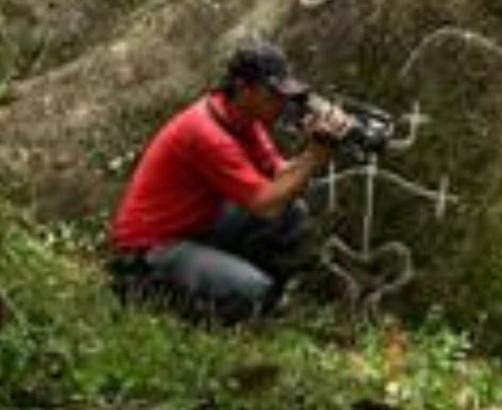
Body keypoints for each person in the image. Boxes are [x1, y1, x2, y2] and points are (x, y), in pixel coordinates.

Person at [108, 40, 350, 323]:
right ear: (243, 89)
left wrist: (319, 146)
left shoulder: (243, 121)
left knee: (291, 213)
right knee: (252, 292)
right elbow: (264, 204)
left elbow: (280, 178)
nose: (281, 102)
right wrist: (314, 156)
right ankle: (148, 295)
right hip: (149, 251)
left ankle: (263, 298)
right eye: (273, 94)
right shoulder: (206, 133)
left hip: (195, 230)